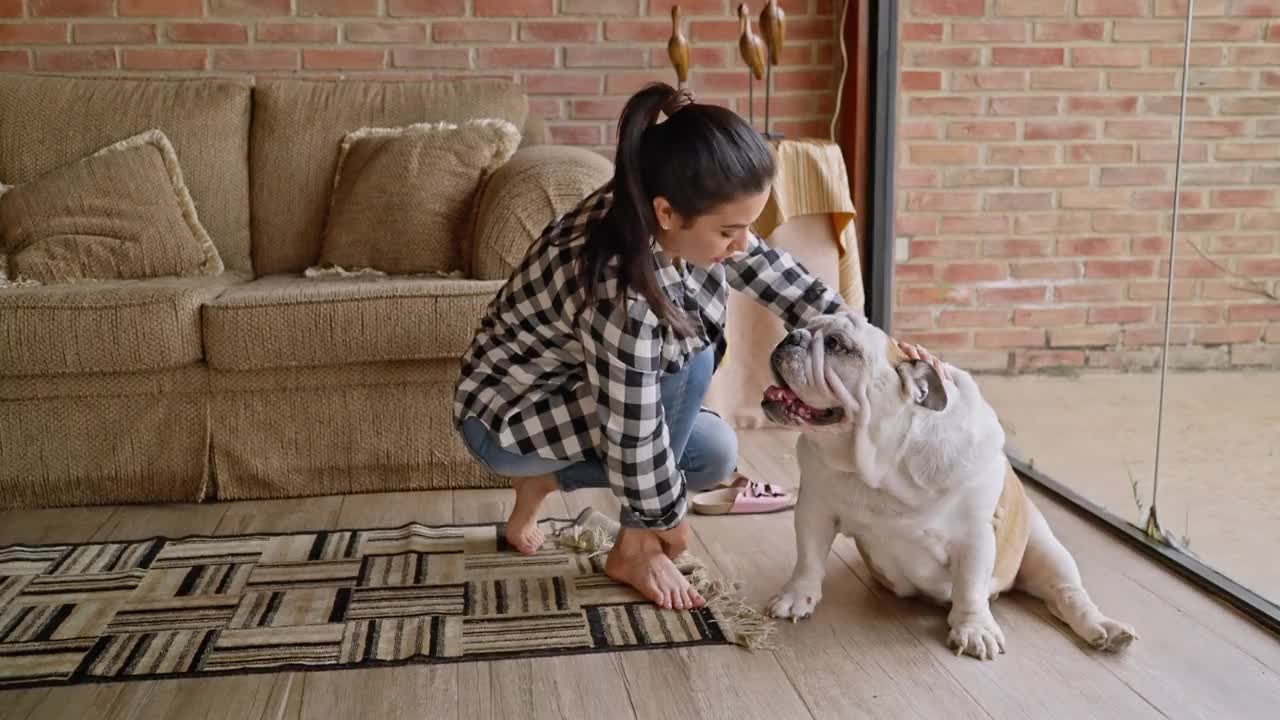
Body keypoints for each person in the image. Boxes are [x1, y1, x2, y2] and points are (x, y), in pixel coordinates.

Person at [453, 82, 935, 610]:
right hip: (508, 420)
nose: (742, 244)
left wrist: (880, 350)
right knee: (688, 357)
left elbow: (778, 278)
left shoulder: (667, 207)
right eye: (732, 230)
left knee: (713, 455)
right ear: (666, 213)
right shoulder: (621, 289)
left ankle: (543, 483)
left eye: (748, 227)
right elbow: (634, 433)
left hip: (582, 397)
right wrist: (660, 524)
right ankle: (630, 552)